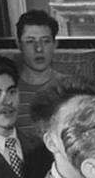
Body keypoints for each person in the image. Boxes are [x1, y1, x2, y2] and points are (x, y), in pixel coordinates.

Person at [13, 11, 67, 143]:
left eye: (46, 41)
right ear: (19, 44)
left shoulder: (69, 88)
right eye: (30, 41)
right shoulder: (9, 91)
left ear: (55, 44)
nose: (39, 49)